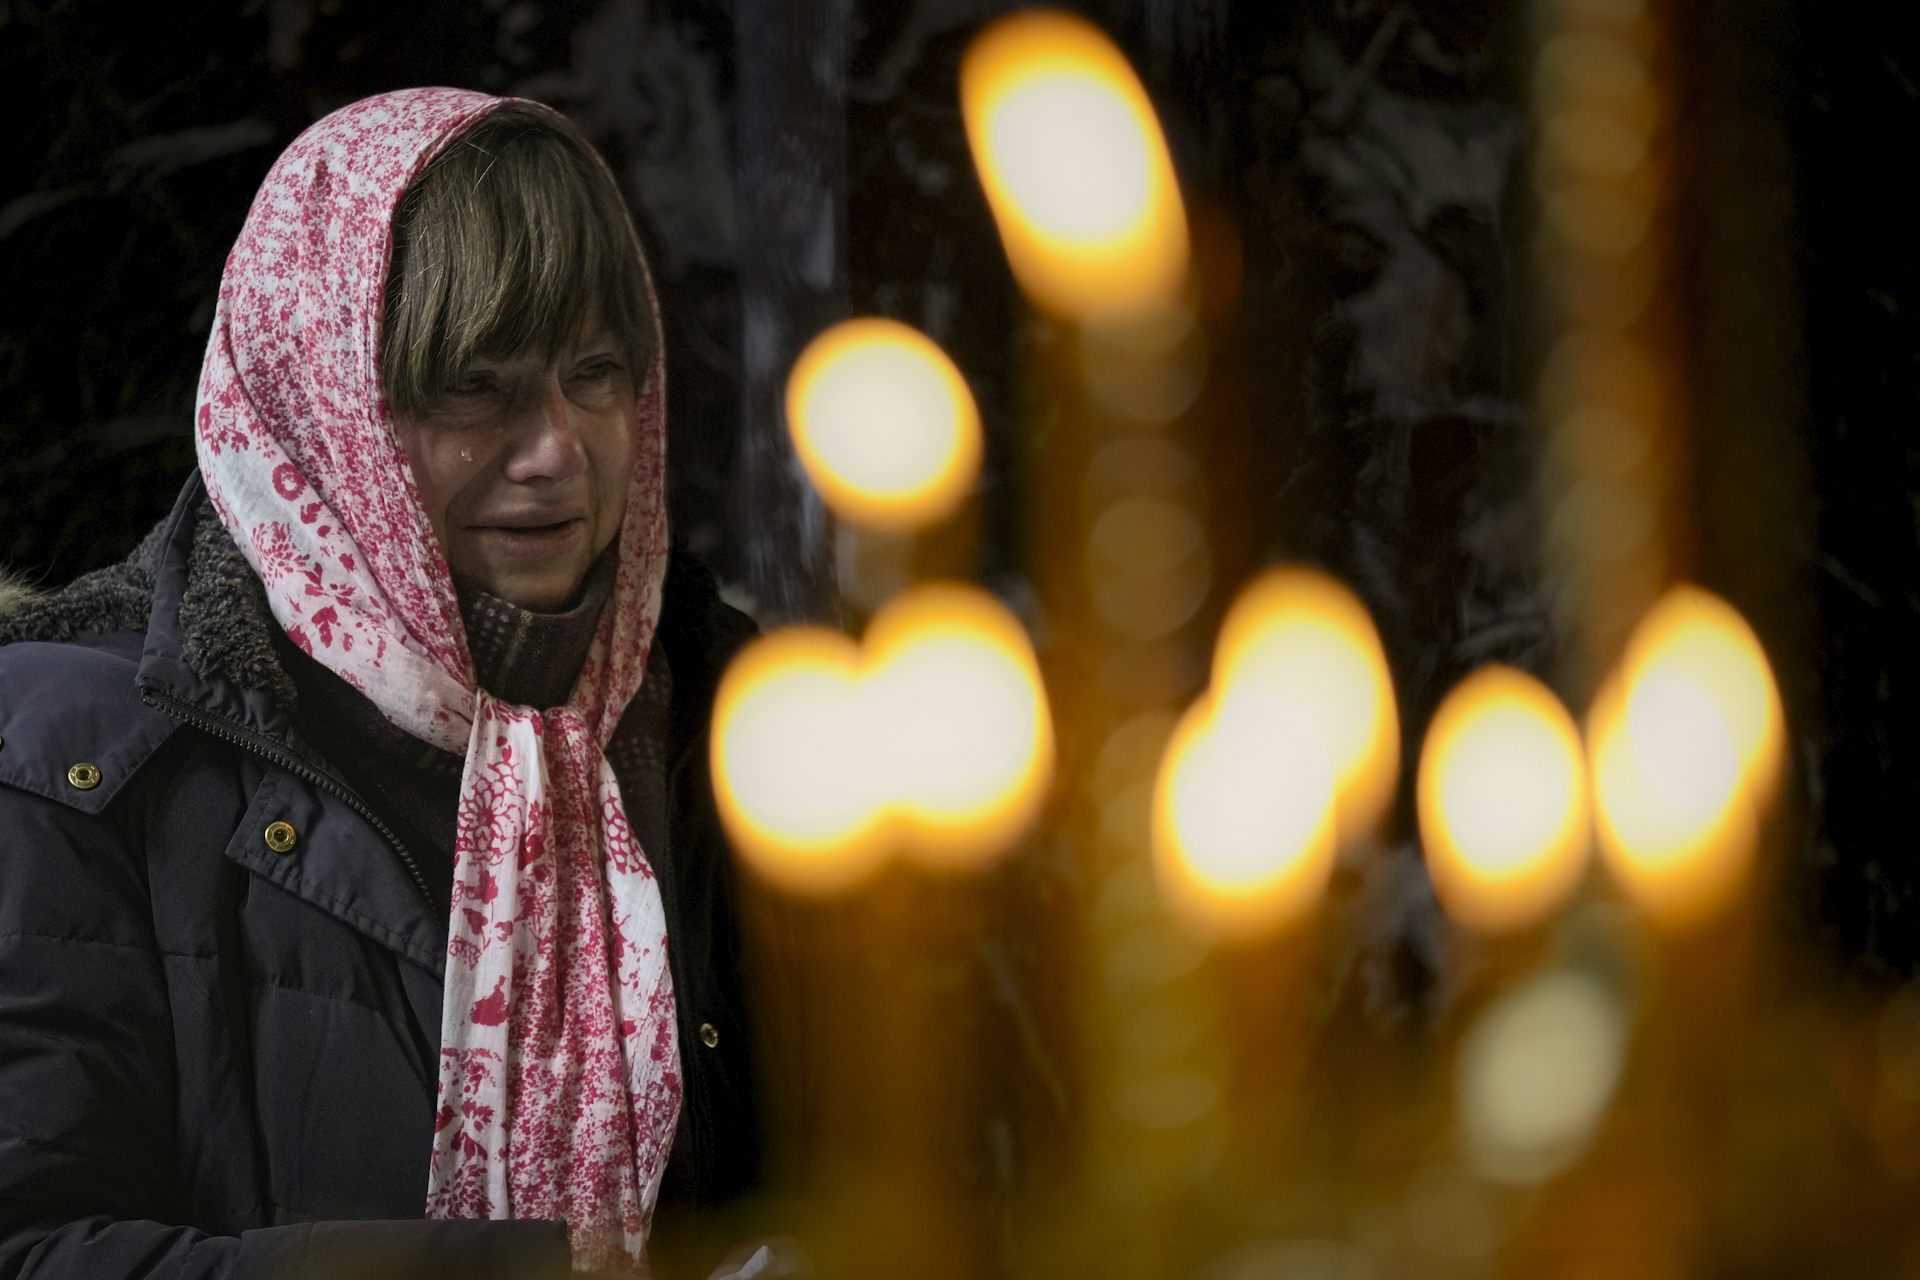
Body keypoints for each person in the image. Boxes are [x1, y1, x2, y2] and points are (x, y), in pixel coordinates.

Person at [0, 88, 766, 1277]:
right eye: (477, 383)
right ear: (326, 400)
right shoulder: (71, 758)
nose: (559, 447)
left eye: (598, 371)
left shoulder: (729, 719)